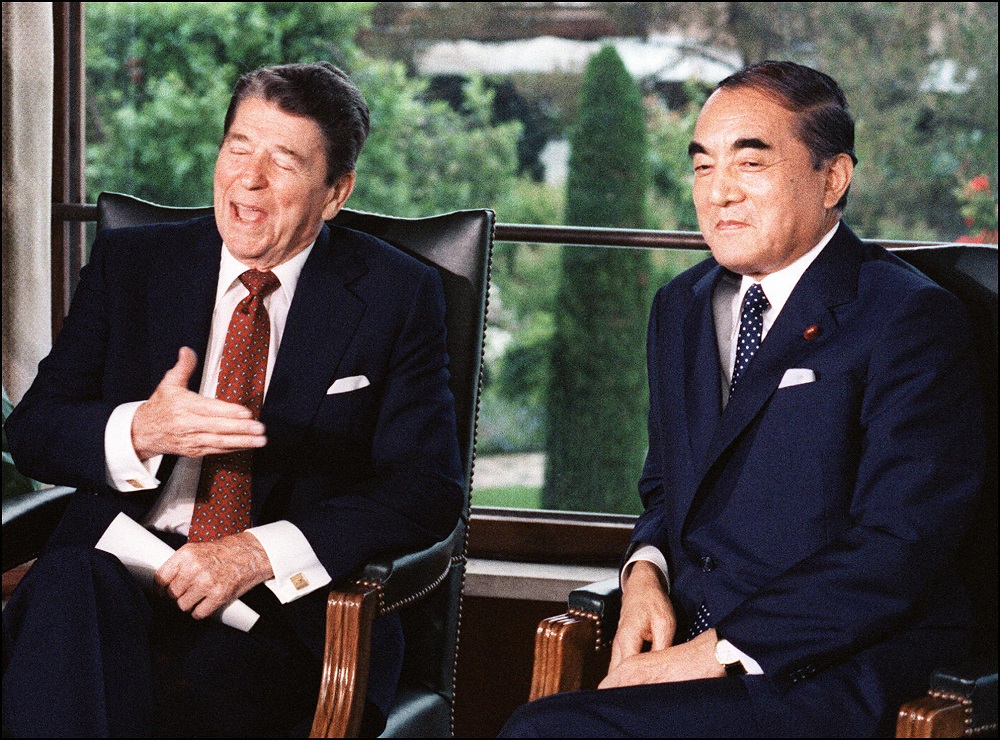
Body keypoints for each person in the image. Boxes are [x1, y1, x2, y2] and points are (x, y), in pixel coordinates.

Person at [502, 60, 983, 737]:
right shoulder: (682, 305)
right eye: (702, 167)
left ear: (832, 177)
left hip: (829, 665)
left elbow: (898, 545)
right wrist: (645, 568)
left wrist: (713, 652)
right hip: (691, 648)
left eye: (749, 164)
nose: (718, 192)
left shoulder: (907, 317)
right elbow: (668, 485)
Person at [3, 61, 463, 738]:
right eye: (238, 148)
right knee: (73, 587)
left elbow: (425, 489)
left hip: (276, 618)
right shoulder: (134, 265)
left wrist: (252, 553)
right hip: (118, 582)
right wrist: (140, 431)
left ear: (335, 192)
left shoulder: (395, 296)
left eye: (284, 160)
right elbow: (35, 430)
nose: (249, 178)